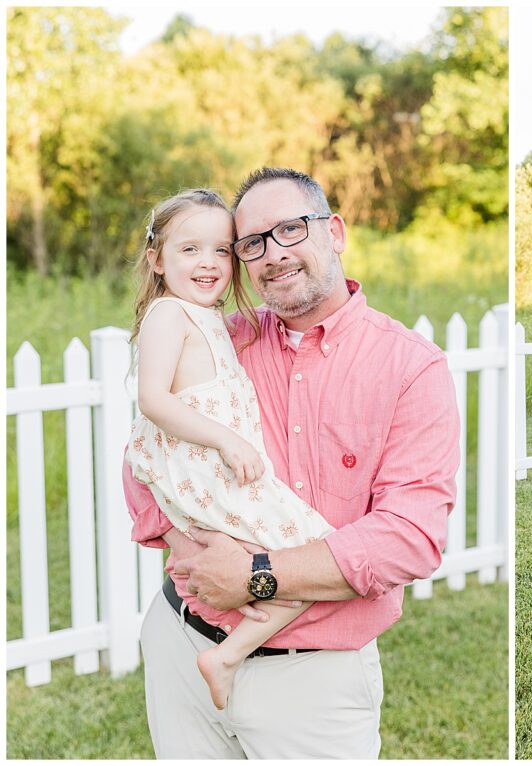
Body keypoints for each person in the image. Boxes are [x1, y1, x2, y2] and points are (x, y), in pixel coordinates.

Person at [122, 168, 460, 759]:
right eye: (251, 242)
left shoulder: (410, 367)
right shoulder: (222, 341)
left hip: (314, 683)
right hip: (181, 643)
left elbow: (410, 537)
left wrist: (255, 573)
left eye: (290, 229)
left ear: (335, 231)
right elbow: (146, 455)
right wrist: (189, 549)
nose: (272, 254)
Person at [125, 188, 336, 712]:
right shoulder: (168, 315)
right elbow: (151, 400)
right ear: (156, 259)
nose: (208, 263)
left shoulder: (212, 320)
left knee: (302, 563)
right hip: (208, 469)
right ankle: (227, 654)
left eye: (221, 250)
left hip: (223, 466)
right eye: (189, 249)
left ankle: (229, 653)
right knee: (314, 550)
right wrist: (227, 437)